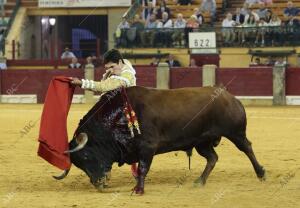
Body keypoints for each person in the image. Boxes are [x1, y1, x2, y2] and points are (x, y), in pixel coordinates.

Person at [70, 49, 138, 184]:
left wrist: (81, 83)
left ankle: (110, 168)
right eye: (108, 68)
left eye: (112, 67)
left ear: (120, 62)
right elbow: (102, 87)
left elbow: (102, 87)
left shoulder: (127, 75)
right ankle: (106, 169)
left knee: (107, 139)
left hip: (124, 115)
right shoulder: (115, 69)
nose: (110, 70)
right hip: (114, 112)